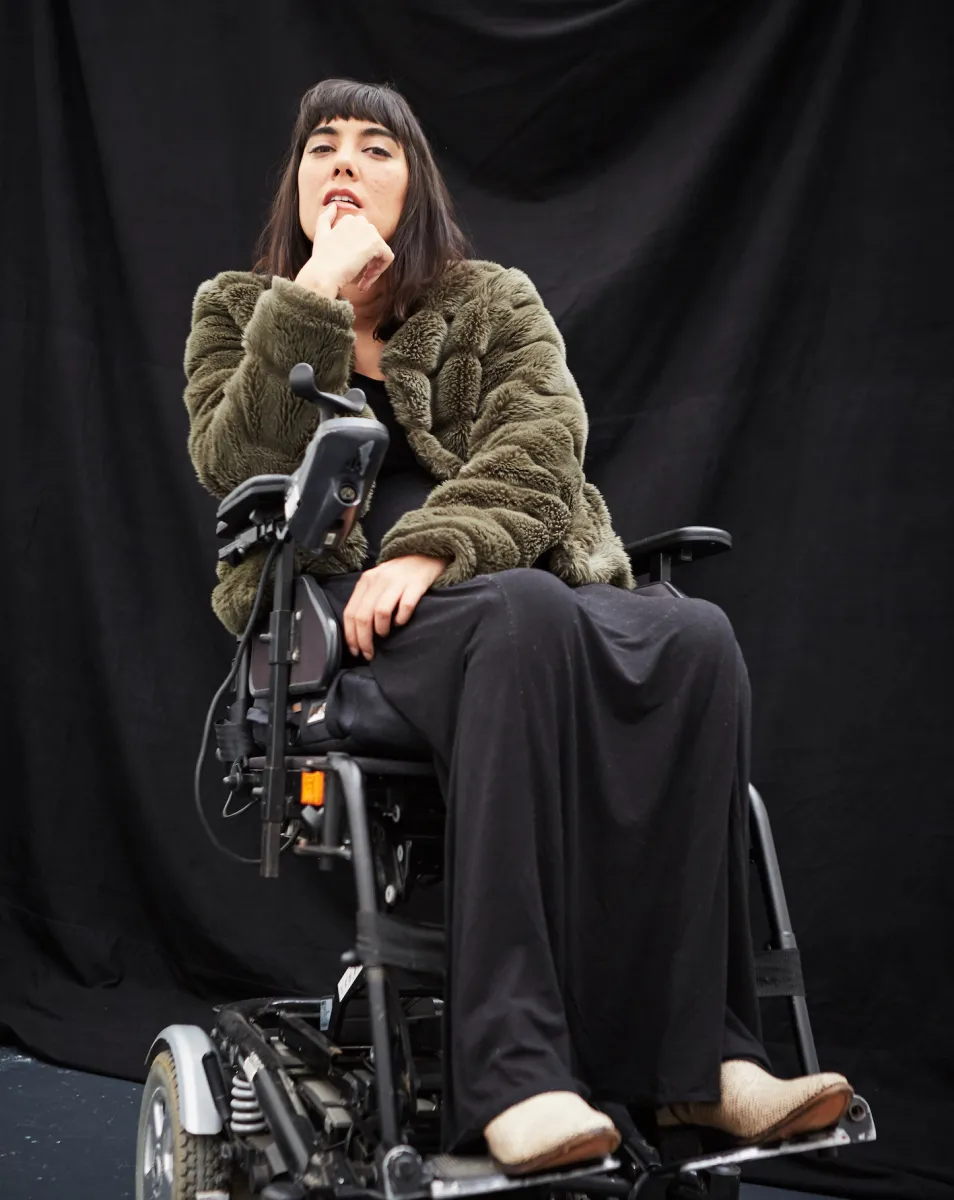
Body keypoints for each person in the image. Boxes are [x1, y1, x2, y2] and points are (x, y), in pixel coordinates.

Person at [183, 79, 853, 1173]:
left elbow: (545, 442)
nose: (344, 165)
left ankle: (706, 1067)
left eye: (375, 149)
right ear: (297, 183)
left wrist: (431, 544)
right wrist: (309, 298)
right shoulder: (237, 311)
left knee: (695, 641)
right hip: (342, 631)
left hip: (495, 580)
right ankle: (517, 1074)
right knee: (529, 616)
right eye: (322, 148)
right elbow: (238, 463)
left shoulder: (490, 300)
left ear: (416, 184)